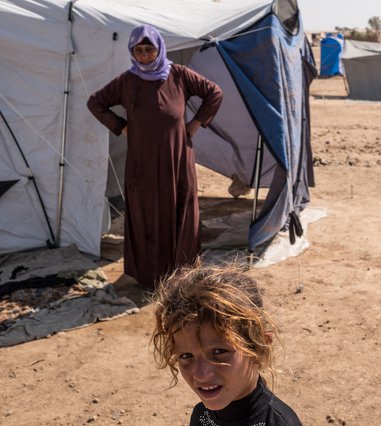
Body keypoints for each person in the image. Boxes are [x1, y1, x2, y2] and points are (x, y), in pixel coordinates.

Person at [87, 24, 223, 289]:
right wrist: (120, 126)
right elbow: (95, 102)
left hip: (177, 158)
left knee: (180, 209)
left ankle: (182, 274)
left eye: (149, 49)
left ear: (159, 48)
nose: (144, 55)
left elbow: (214, 93)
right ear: (132, 52)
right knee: (144, 211)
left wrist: (195, 124)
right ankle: (146, 275)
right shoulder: (127, 81)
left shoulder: (179, 75)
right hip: (142, 161)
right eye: (138, 50)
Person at [151, 262, 303, 425]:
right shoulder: (202, 416)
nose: (201, 375)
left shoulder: (278, 423)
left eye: (218, 352)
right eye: (186, 356)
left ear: (259, 346)